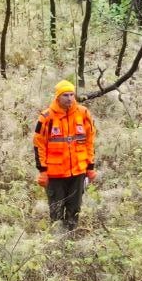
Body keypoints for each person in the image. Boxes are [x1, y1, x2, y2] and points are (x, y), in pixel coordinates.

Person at [33, 80, 97, 232]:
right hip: (55, 174)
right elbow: (38, 145)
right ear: (57, 97)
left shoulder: (83, 113)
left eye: (71, 95)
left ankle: (70, 238)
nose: (69, 98)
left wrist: (90, 167)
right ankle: (56, 239)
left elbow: (90, 142)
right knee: (56, 209)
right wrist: (42, 171)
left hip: (78, 172)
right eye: (65, 95)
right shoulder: (46, 117)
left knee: (74, 209)